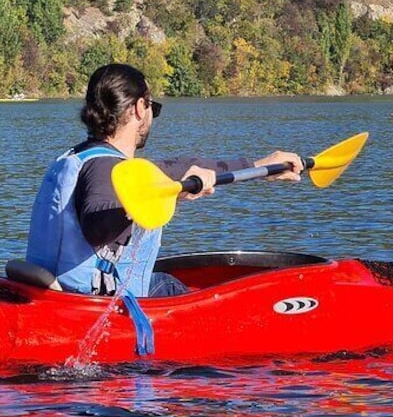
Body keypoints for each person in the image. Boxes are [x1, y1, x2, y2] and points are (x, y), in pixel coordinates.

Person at [26, 63, 303, 299]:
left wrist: (261, 166)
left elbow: (187, 167)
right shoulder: (104, 168)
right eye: (152, 108)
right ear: (138, 108)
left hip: (65, 293)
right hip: (96, 306)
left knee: (164, 279)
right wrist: (156, 200)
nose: (152, 117)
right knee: (179, 290)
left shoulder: (86, 157)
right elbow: (97, 223)